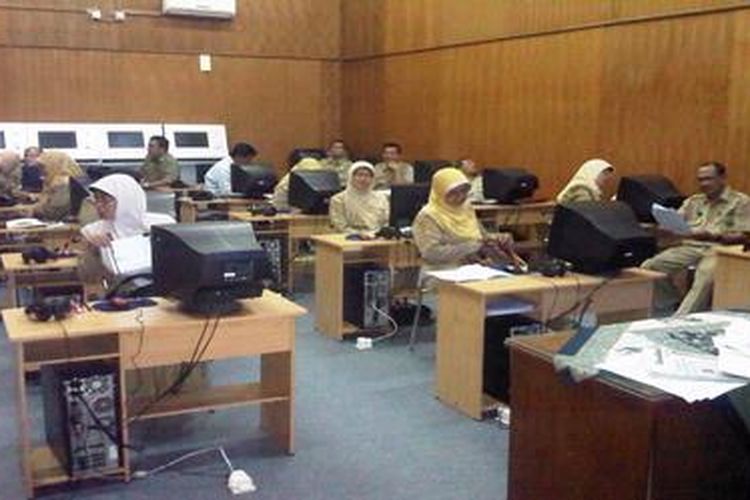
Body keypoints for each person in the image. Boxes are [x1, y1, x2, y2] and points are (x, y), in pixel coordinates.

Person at [79, 174, 206, 396]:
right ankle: (140, 394)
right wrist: (92, 250)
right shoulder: (94, 231)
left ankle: (177, 390)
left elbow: (183, 264)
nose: (99, 206)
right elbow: (87, 277)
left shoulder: (162, 224)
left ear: (127, 199)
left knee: (175, 336)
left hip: (166, 297)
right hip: (122, 300)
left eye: (106, 201)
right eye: (96, 200)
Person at [641, 162, 750, 315]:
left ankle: (681, 319)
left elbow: (744, 236)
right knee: (649, 267)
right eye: (700, 180)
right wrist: (662, 228)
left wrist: (714, 236)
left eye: (709, 179)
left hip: (720, 250)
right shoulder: (694, 201)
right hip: (692, 246)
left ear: (722, 178)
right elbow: (676, 223)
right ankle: (673, 302)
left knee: (704, 276)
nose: (704, 184)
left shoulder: (741, 202)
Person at [413, 167, 514, 268]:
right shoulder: (428, 216)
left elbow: (482, 238)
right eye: (453, 193)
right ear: (440, 193)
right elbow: (431, 253)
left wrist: (497, 238)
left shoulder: (466, 209)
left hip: (475, 268)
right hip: (441, 271)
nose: (460, 196)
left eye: (464, 191)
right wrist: (472, 247)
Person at [329, 161, 389, 233]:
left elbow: (387, 221)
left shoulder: (381, 198)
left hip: (378, 236)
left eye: (367, 176)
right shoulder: (338, 199)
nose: (363, 179)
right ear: (351, 177)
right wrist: (359, 234)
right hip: (349, 237)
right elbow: (339, 225)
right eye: (359, 175)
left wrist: (377, 233)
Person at [33, 151, 91, 221]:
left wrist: (30, 210)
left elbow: (53, 212)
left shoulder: (62, 183)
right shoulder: (74, 178)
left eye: (43, 167)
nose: (41, 171)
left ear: (54, 165)